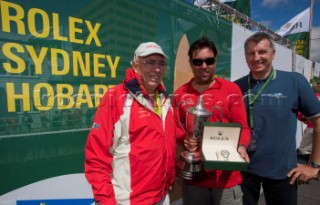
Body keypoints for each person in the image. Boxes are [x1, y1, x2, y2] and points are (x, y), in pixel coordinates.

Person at [85, 42, 185, 205]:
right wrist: (106, 201)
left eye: (161, 63)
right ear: (135, 65)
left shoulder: (164, 98)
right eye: (149, 62)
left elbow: (170, 134)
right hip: (129, 201)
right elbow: (96, 157)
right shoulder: (115, 98)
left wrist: (191, 140)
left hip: (161, 196)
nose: (157, 69)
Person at [234, 32, 320, 205]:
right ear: (245, 57)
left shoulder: (295, 81)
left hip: (283, 172)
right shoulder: (237, 87)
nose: (256, 57)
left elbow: (318, 122)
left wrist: (314, 165)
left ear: (273, 54)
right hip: (244, 169)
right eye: (251, 53)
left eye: (262, 52)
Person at [172, 36, 251, 205]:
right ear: (190, 63)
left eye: (209, 61)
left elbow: (243, 127)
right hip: (194, 177)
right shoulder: (180, 93)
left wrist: (242, 146)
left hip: (225, 177)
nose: (204, 66)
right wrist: (184, 138)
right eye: (198, 62)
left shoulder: (231, 89)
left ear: (215, 61)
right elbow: (174, 126)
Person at [297, 83, 320, 164]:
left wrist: (304, 119)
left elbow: (301, 114)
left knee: (303, 152)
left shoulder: (314, 97)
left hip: (312, 128)